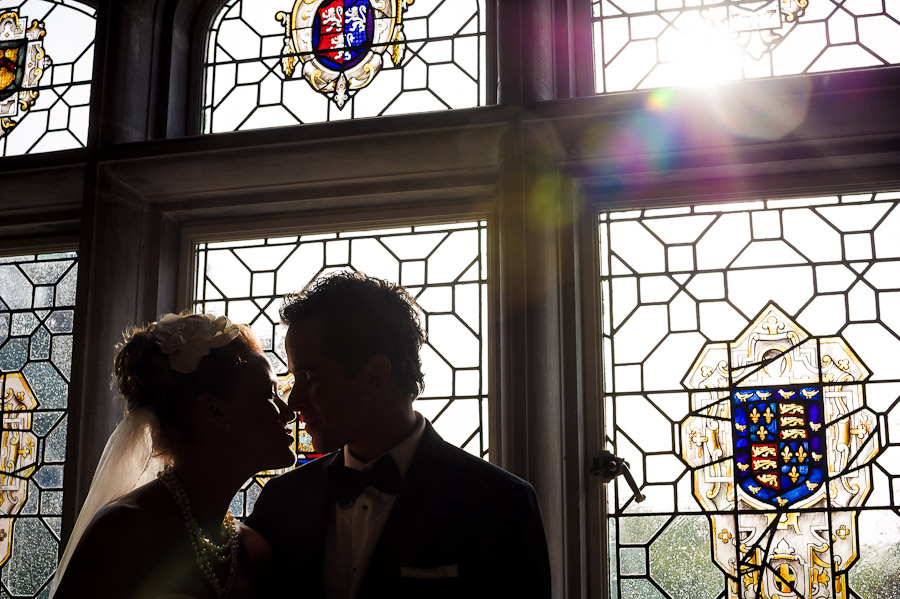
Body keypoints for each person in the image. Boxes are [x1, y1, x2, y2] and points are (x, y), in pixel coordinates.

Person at [246, 272, 551, 598]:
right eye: (294, 377)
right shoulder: (281, 500)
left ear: (374, 374)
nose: (293, 401)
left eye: (310, 377)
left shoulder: (501, 504)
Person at [51, 313, 296, 598]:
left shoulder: (254, 551)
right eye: (269, 393)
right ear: (214, 410)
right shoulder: (125, 534)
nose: (289, 412)